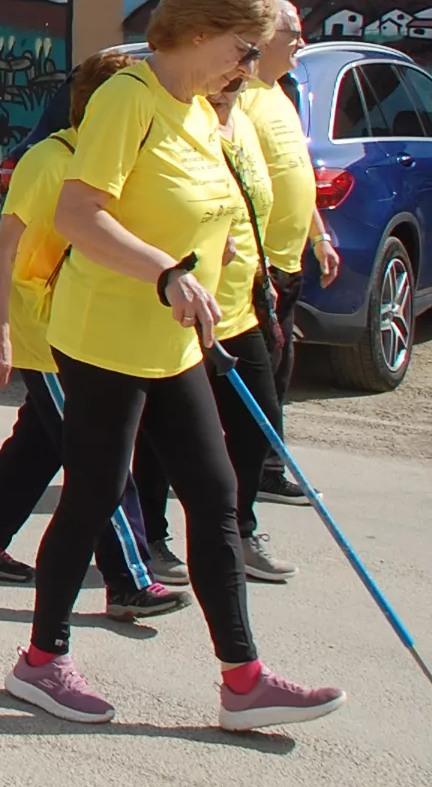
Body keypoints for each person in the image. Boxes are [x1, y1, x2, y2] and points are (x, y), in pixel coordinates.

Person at [10, 0, 342, 732]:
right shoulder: (130, 98)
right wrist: (165, 272)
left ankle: (243, 678)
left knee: (217, 496)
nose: (250, 65)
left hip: (178, 340)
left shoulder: (203, 108)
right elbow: (80, 215)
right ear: (200, 31)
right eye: (244, 47)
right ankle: (40, 661)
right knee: (93, 497)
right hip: (105, 336)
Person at [0, 50, 186, 623]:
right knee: (99, 456)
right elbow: (3, 251)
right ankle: (129, 580)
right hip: (47, 338)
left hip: (79, 330)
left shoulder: (104, 163)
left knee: (42, 440)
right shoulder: (48, 163)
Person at [133, 73, 299, 585]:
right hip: (181, 309)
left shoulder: (243, 126)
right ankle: (152, 539)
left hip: (239, 306)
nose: (228, 87)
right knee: (162, 436)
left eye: (237, 80)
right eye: (221, 79)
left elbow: (251, 210)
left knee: (258, 424)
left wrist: (262, 272)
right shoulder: (179, 129)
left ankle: (241, 528)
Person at [237, 0, 339, 504]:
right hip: (257, 270)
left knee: (278, 374)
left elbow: (294, 174)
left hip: (288, 262)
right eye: (292, 31)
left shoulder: (282, 94)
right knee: (254, 382)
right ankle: (252, 476)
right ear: (263, 35)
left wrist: (318, 236)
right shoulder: (243, 101)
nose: (301, 40)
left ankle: (264, 467)